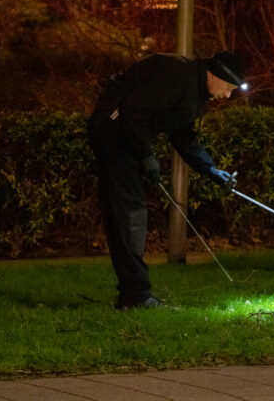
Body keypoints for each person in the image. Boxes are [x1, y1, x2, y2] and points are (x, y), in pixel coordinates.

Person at [87, 51, 246, 310]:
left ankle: (133, 294)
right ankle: (136, 296)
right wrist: (146, 156)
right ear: (214, 74)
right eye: (228, 88)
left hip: (123, 134)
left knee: (129, 214)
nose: (227, 96)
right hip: (112, 130)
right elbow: (132, 109)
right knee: (130, 214)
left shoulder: (194, 94)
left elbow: (183, 136)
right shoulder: (178, 76)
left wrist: (210, 169)